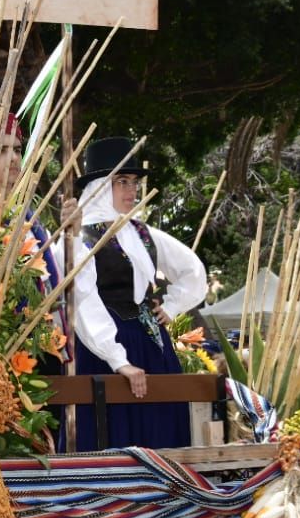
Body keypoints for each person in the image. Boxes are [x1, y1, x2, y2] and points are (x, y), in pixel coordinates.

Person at [68, 137, 207, 451]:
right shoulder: (80, 238)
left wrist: (171, 306)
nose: (132, 191)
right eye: (122, 182)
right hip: (104, 351)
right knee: (112, 431)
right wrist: (119, 361)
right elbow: (82, 300)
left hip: (152, 345)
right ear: (101, 187)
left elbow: (193, 271)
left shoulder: (142, 233)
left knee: (161, 431)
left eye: (134, 182)